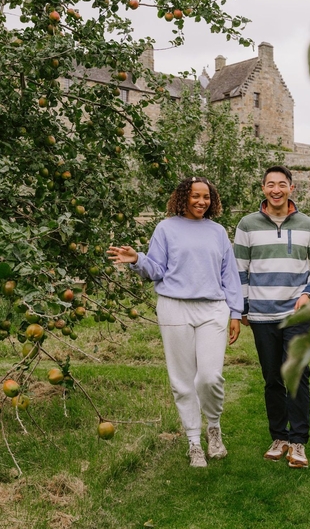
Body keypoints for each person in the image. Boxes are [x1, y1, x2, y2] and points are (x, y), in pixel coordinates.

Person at [107, 177, 243, 468]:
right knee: (182, 381)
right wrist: (136, 259)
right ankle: (194, 441)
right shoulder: (165, 228)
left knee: (209, 377)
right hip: (174, 308)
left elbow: (229, 275)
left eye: (206, 197)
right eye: (195, 196)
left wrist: (235, 313)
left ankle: (214, 428)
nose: (201, 202)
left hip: (212, 309)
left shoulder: (218, 232)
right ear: (183, 197)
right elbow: (156, 269)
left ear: (213, 200)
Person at [234, 165, 310, 468]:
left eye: (282, 184)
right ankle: (280, 436)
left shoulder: (308, 225)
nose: (276, 189)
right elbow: (240, 270)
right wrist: (244, 307)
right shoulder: (247, 225)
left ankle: (299, 441)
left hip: (296, 312)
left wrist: (308, 293)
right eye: (270, 184)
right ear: (263, 188)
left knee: (297, 375)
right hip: (262, 314)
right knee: (273, 377)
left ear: (292, 188)